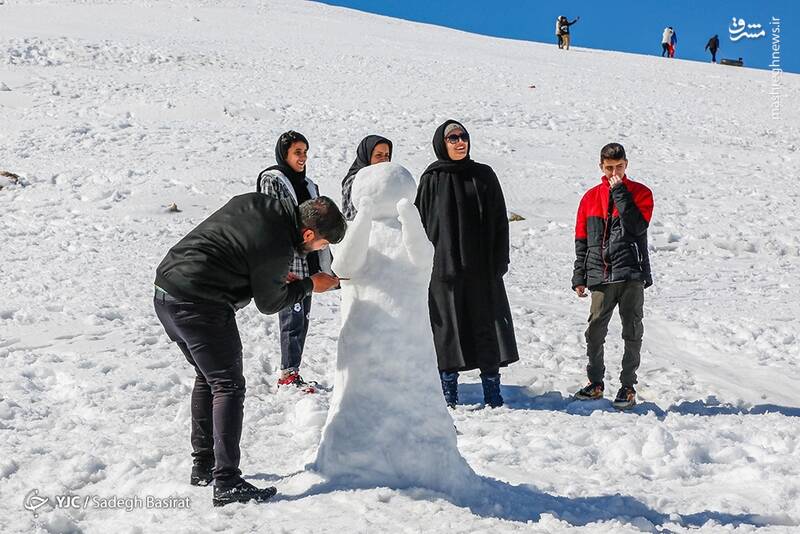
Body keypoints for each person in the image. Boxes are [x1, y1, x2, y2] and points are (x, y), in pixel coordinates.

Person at [154, 194, 345, 506]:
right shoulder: (279, 244)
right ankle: (227, 482)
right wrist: (310, 284)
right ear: (309, 233)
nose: (319, 249)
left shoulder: (262, 205)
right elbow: (269, 303)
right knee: (228, 385)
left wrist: (270, 276)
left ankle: (204, 466)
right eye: (322, 244)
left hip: (167, 291)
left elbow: (241, 246)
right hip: (199, 303)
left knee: (208, 377)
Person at [415, 120, 519, 409]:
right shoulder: (432, 178)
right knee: (448, 331)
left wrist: (500, 261)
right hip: (442, 272)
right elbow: (418, 224)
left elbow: (499, 220)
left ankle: (492, 393)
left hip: (481, 270)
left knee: (485, 328)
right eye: (453, 138)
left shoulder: (484, 175)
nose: (460, 142)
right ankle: (448, 393)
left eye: (463, 136)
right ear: (442, 143)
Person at [571, 143, 654, 410]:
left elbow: (637, 226)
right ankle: (595, 383)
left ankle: (628, 386)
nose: (614, 172)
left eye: (619, 167)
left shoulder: (641, 193)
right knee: (595, 331)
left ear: (626, 164)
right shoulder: (589, 198)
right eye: (609, 168)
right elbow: (582, 240)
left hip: (631, 273)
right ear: (601, 166)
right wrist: (579, 276)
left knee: (632, 331)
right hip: (600, 275)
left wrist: (619, 191)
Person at [257, 131, 334, 392]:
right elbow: (273, 218)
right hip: (288, 261)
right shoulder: (273, 179)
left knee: (302, 319)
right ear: (284, 154)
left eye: (305, 152)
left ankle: (293, 371)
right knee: (291, 316)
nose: (303, 158)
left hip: (308, 259)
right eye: (297, 152)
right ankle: (287, 375)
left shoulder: (309, 185)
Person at [340, 135, 393, 221]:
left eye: (387, 155)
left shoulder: (389, 178)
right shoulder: (355, 181)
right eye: (378, 155)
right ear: (366, 156)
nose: (384, 160)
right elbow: (352, 218)